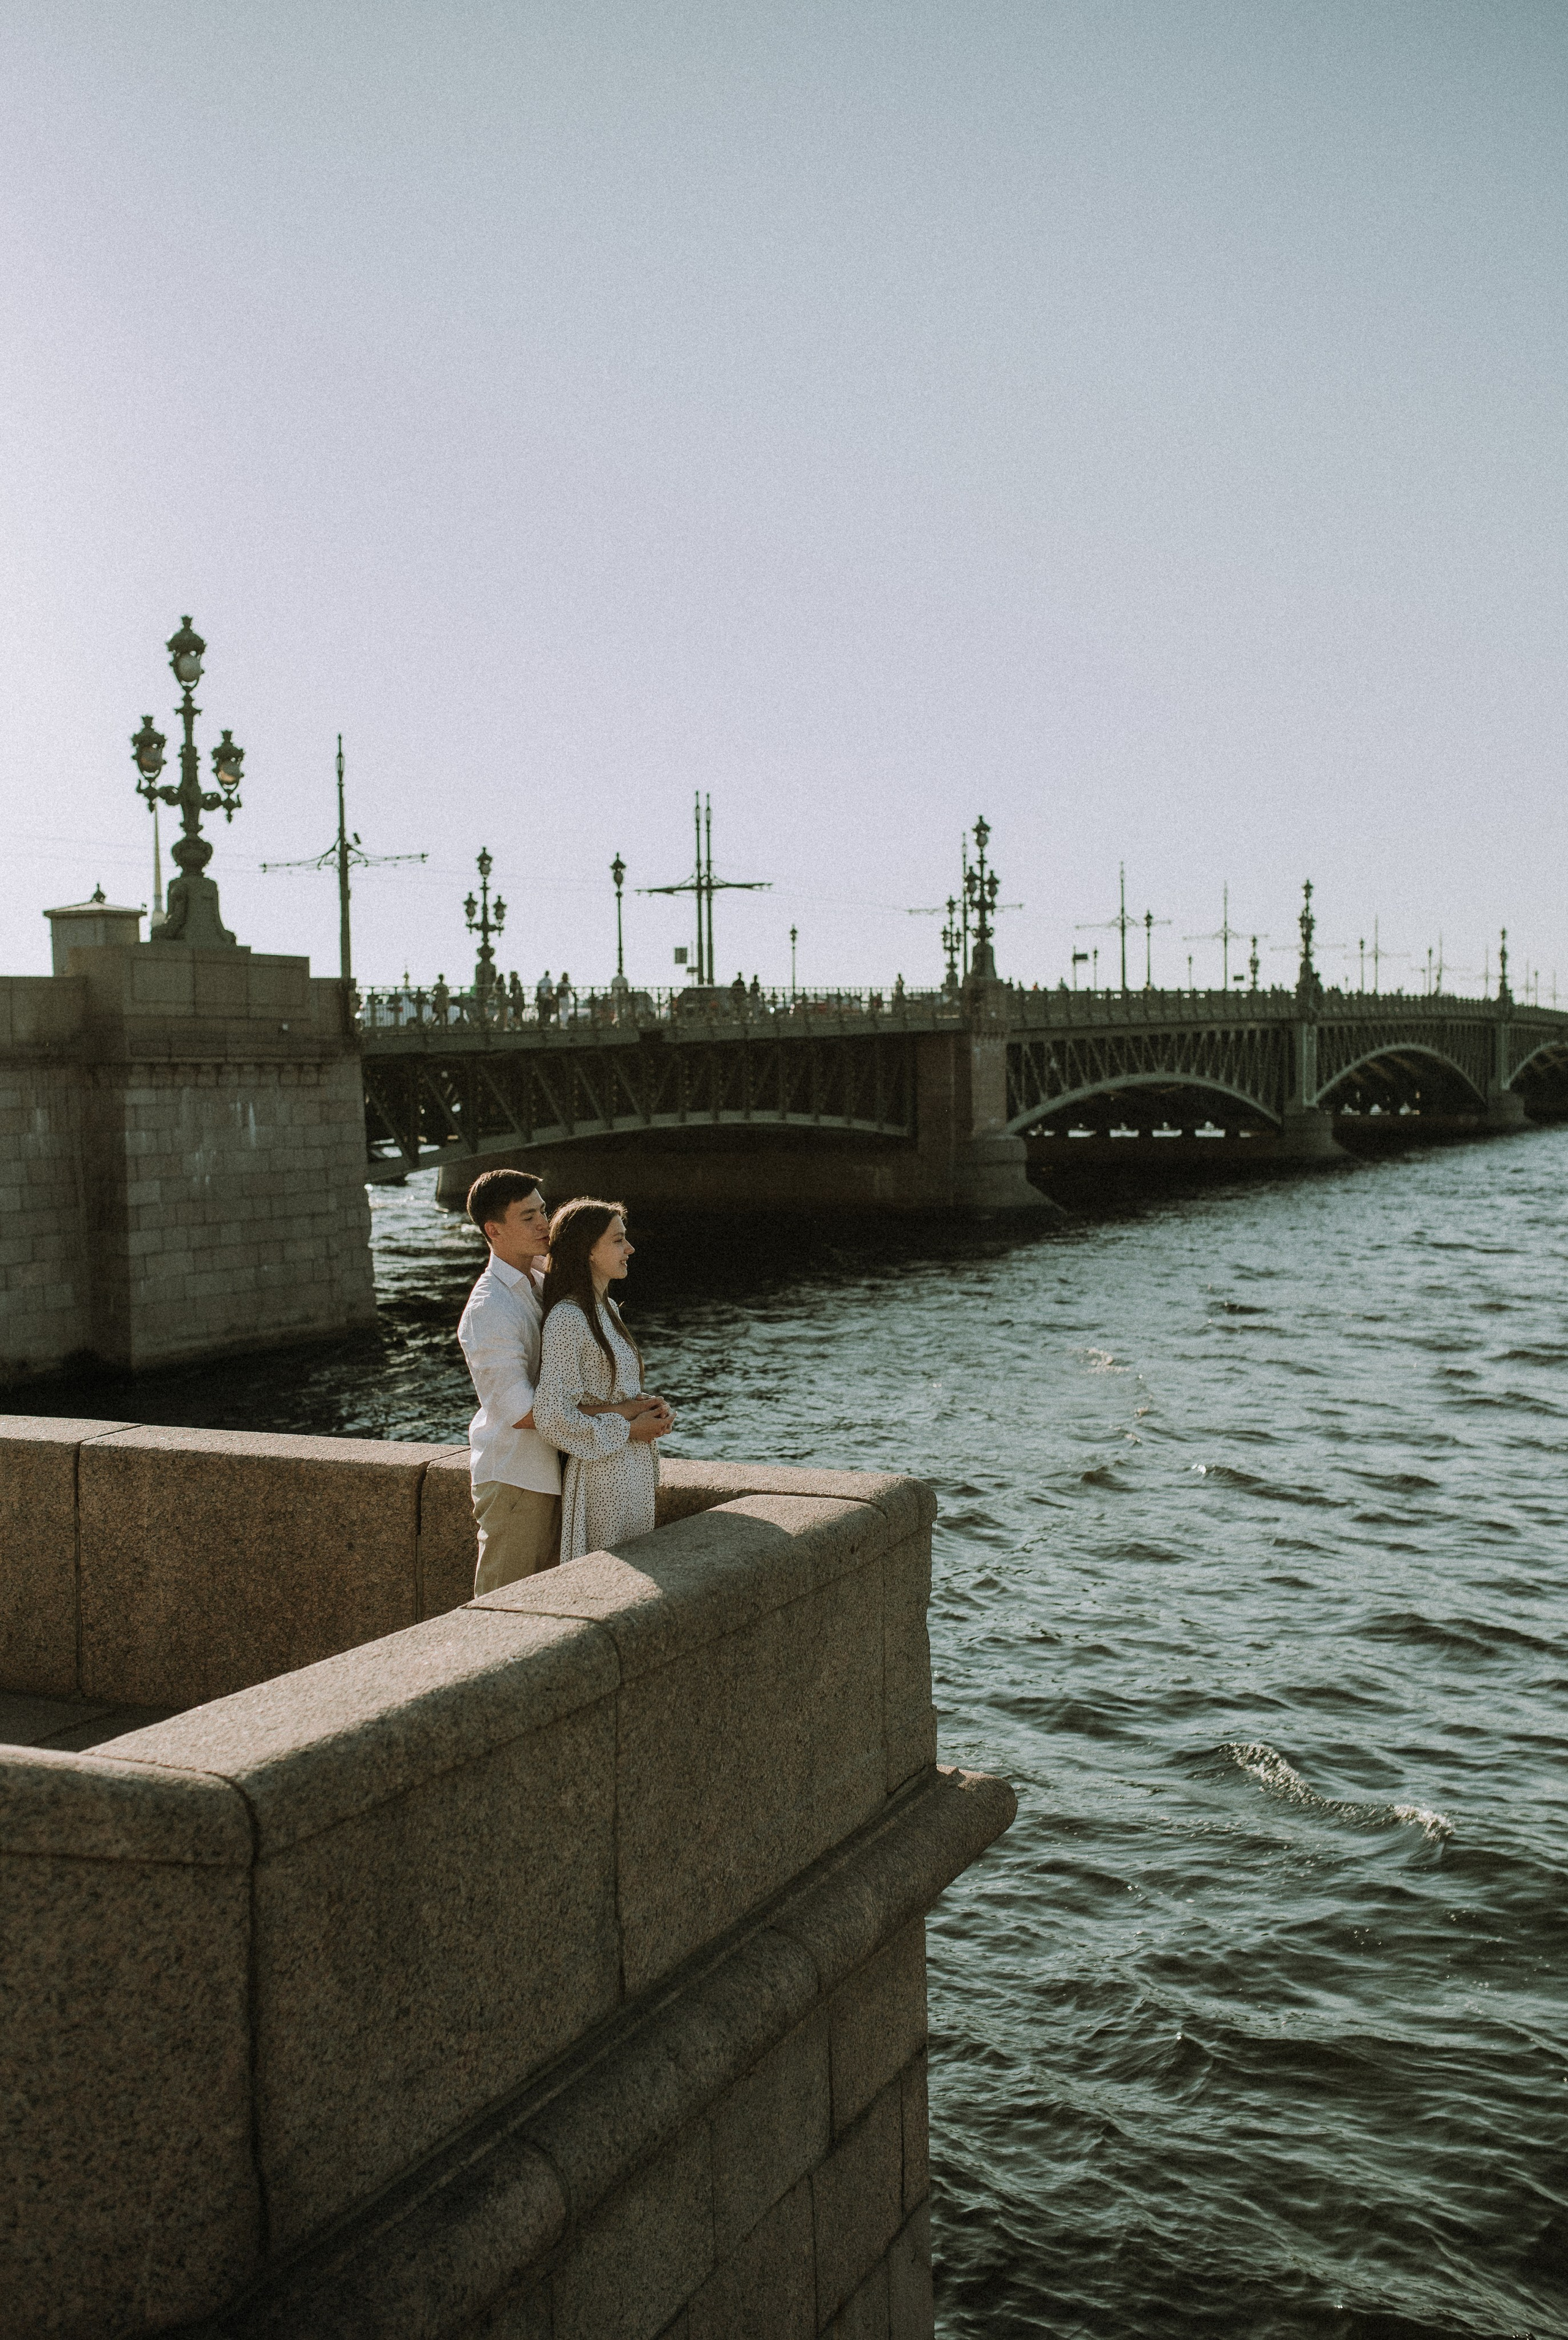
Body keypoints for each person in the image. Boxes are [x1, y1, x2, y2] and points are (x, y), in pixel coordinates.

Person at [533, 1198, 673, 1563]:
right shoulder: (568, 1318)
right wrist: (630, 1428)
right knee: (610, 1577)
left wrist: (648, 1408)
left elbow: (606, 1393)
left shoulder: (606, 1308)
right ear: (588, 1251)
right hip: (603, 1477)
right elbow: (552, 1417)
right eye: (618, 1240)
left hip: (631, 1472)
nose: (630, 1248)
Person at [456, 1167, 563, 1595]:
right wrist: (620, 1419)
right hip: (517, 1478)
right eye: (528, 1217)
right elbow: (521, 1412)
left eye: (543, 1211)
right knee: (502, 1608)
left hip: (548, 1472)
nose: (544, 1224)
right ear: (493, 1230)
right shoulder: (490, 1307)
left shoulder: (539, 1282)